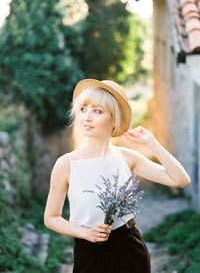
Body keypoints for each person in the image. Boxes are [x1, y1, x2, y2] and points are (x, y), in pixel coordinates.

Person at [44, 79, 191, 273]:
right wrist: (85, 233)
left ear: (114, 119)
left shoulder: (127, 157)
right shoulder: (67, 164)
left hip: (129, 249)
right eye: (83, 109)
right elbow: (51, 218)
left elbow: (181, 180)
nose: (87, 117)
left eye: (97, 111)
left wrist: (152, 143)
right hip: (89, 253)